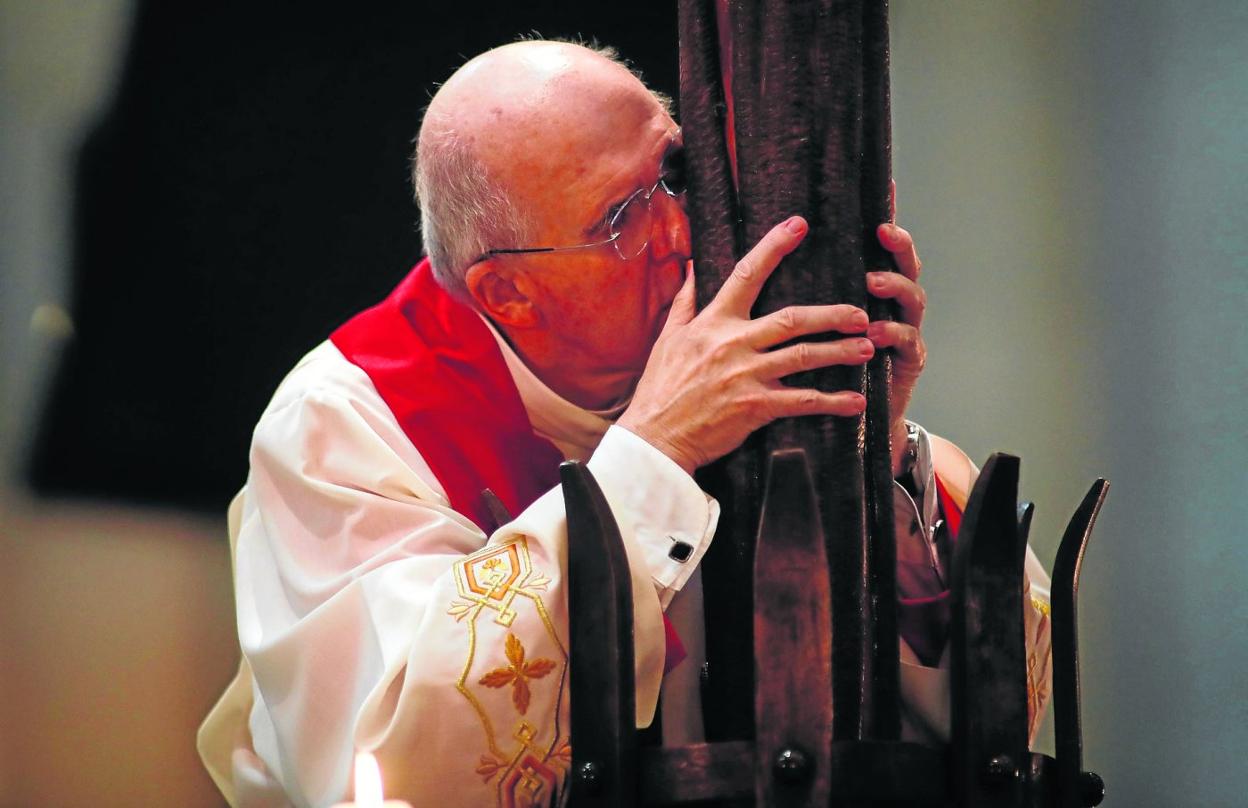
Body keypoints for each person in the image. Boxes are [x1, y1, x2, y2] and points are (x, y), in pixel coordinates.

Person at [198, 40, 1052, 808]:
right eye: (620, 220)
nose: (685, 231)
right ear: (509, 293)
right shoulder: (345, 425)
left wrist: (864, 452)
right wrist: (656, 452)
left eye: (676, 175)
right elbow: (400, 765)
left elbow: (986, 735)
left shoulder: (721, 348)